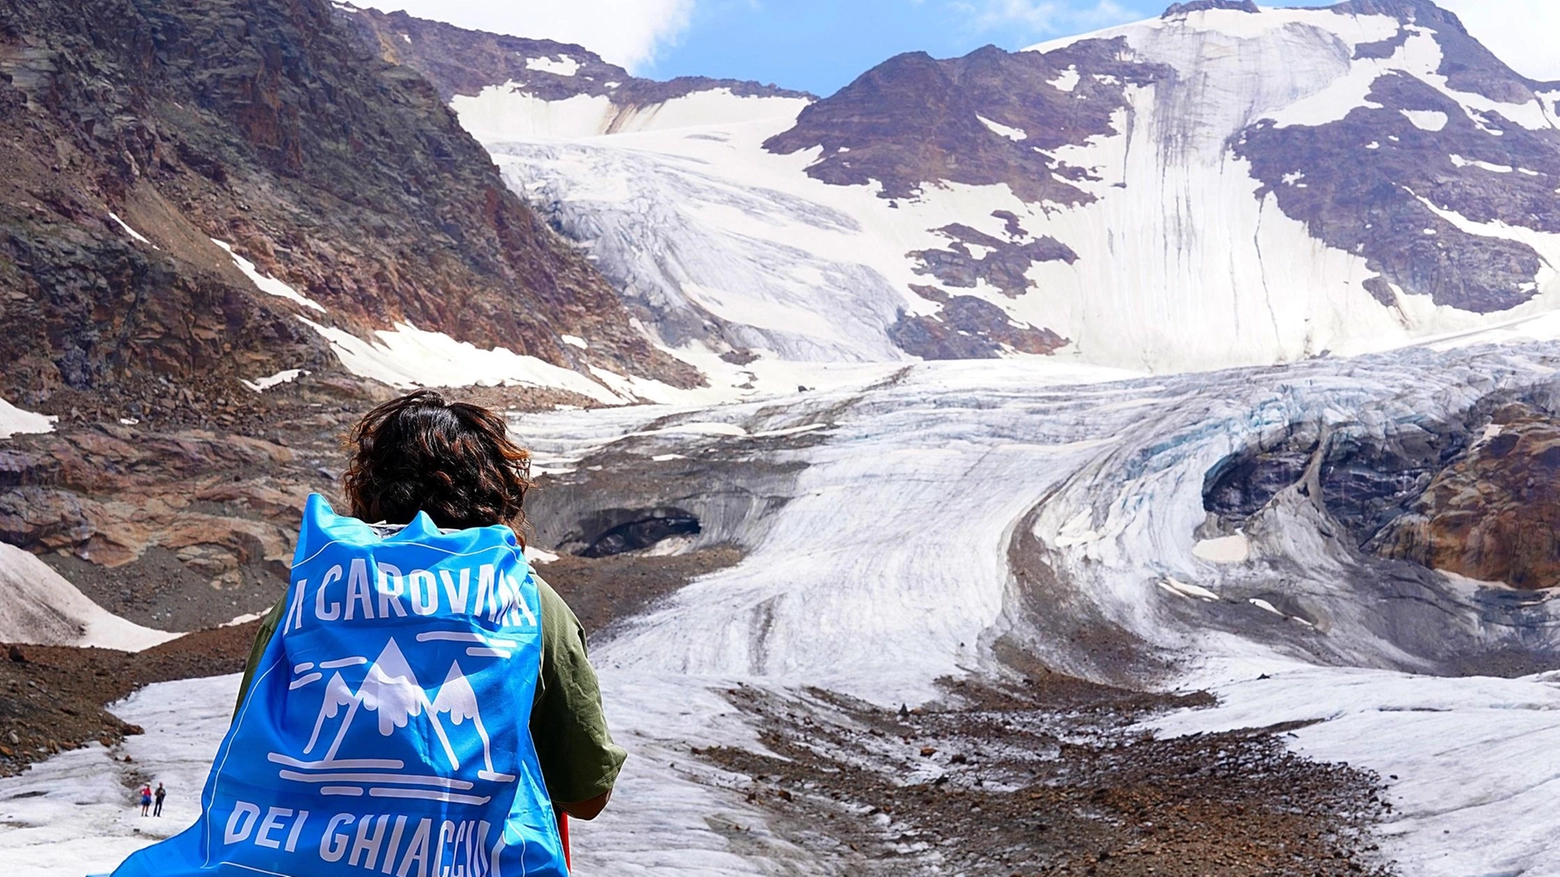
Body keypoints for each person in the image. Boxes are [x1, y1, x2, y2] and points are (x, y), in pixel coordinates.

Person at [237, 390, 625, 820]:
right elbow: (587, 794)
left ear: (370, 484)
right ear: (495, 488)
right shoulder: (529, 602)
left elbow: (248, 749)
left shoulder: (307, 599)